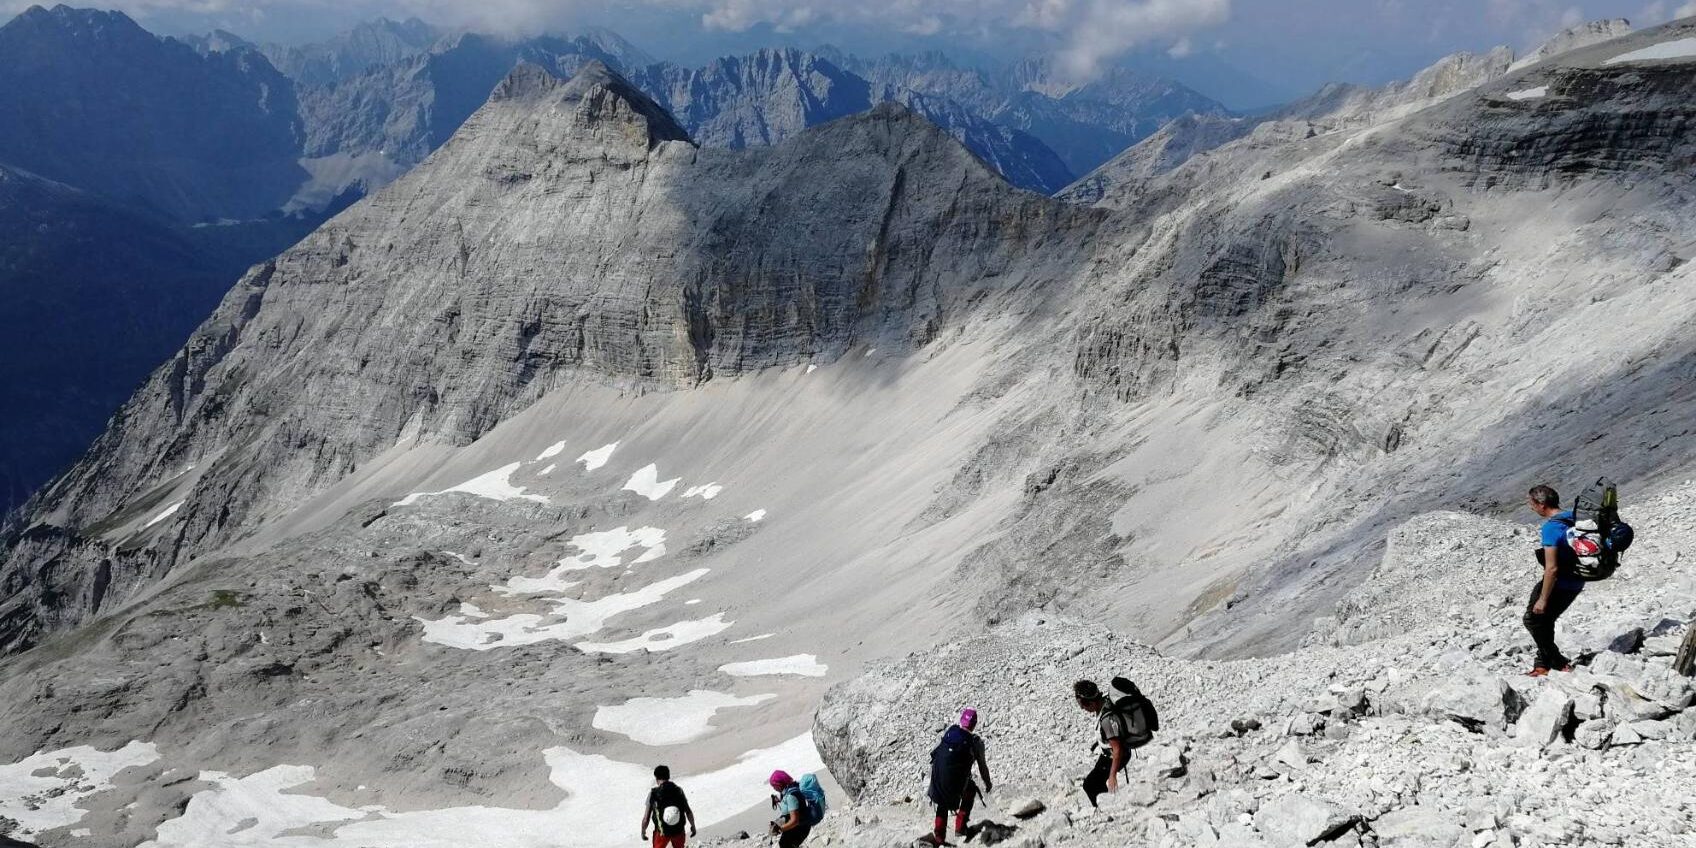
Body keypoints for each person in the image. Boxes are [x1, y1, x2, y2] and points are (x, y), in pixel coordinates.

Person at [1525, 484, 1586, 676]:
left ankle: (1558, 663)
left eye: (1532, 503)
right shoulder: (1573, 518)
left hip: (1560, 582)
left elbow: (1551, 568)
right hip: (1577, 580)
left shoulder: (1552, 527)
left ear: (1541, 505)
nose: (1531, 507)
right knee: (1545, 620)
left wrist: (1543, 599)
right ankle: (1541, 665)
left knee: (1533, 619)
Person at [1073, 679, 1151, 806]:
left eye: (1083, 705)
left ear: (1091, 703)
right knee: (1094, 782)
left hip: (1116, 756)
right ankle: (1107, 802)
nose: (1082, 709)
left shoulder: (1107, 720)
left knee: (1090, 785)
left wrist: (1112, 775)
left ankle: (1107, 807)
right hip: (1111, 753)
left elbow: (1117, 748)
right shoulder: (1105, 702)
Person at [925, 708, 993, 844]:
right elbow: (982, 766)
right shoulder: (975, 742)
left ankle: (939, 838)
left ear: (961, 720)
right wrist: (987, 783)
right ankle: (960, 827)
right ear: (974, 724)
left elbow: (936, 752)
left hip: (938, 777)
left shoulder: (950, 731)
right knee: (971, 789)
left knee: (942, 803)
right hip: (955, 782)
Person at [641, 765, 696, 848]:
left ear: (656, 778)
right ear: (668, 776)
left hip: (661, 833)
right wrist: (693, 826)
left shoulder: (653, 794)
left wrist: (643, 831)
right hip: (678, 831)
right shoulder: (679, 791)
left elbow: (646, 818)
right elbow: (688, 811)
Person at [768, 770, 811, 847]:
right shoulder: (793, 787)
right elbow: (793, 804)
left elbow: (795, 821)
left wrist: (780, 829)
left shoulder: (790, 796)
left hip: (799, 828)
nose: (774, 788)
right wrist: (780, 800)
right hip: (802, 825)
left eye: (774, 786)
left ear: (779, 784)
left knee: (785, 844)